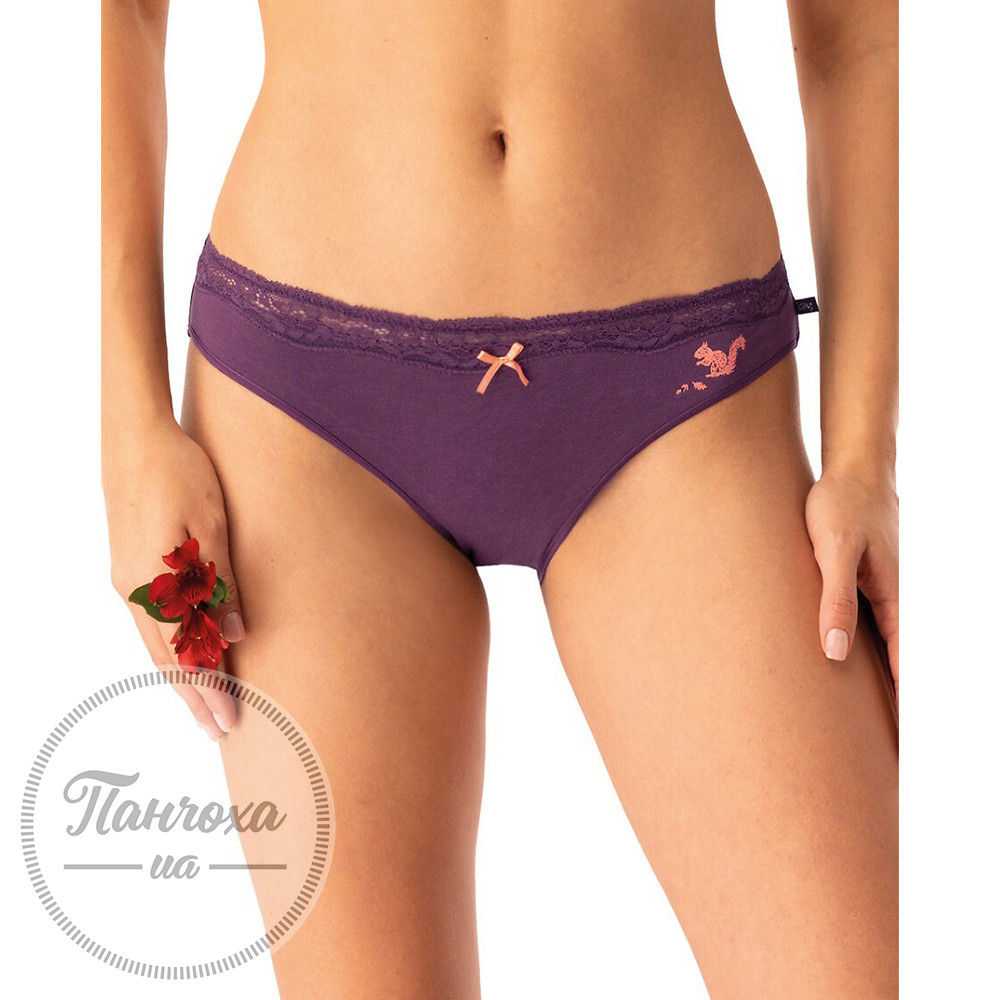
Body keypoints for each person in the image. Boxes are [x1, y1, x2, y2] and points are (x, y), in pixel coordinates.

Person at [102, 1, 898, 996]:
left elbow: (856, 39)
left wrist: (862, 457)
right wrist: (128, 433)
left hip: (686, 391)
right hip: (306, 410)